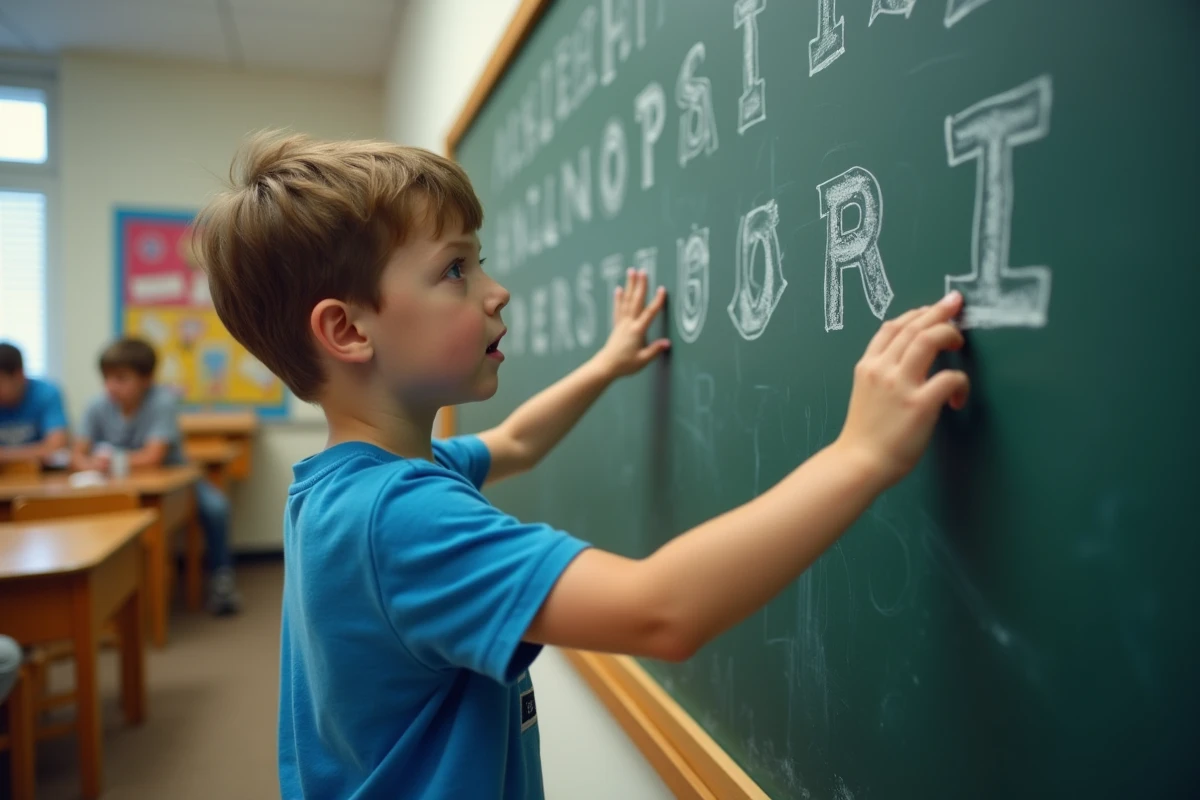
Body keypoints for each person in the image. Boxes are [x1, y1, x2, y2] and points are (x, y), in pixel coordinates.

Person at [193, 132, 969, 799]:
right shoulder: (400, 518)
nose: (497, 292)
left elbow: (518, 441)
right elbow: (659, 610)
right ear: (347, 329)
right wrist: (860, 453)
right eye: (455, 270)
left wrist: (605, 363)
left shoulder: (347, 485)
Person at [71, 338, 241, 615]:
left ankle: (222, 577)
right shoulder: (97, 406)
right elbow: (76, 455)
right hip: (116, 484)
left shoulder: (162, 402)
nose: (111, 386)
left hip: (176, 479)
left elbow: (153, 457)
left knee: (216, 507)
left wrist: (107, 461)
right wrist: (88, 463)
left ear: (147, 379)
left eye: (121, 378)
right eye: (107, 378)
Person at [0, 342, 69, 465]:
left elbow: (56, 446)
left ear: (18, 375)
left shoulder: (46, 393)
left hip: (43, 477)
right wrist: (36, 452)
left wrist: (4, 455)